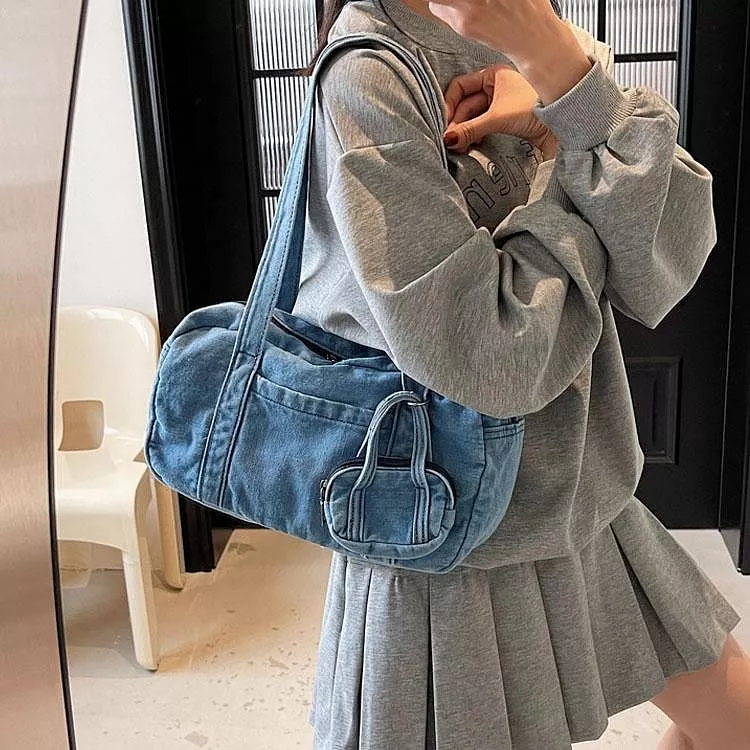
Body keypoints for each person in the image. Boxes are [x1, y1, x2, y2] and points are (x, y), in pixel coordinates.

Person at [292, 1, 750, 748]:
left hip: (581, 494)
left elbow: (668, 253)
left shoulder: (529, 26)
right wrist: (571, 171)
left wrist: (563, 76)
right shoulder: (369, 73)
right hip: (445, 534)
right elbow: (490, 353)